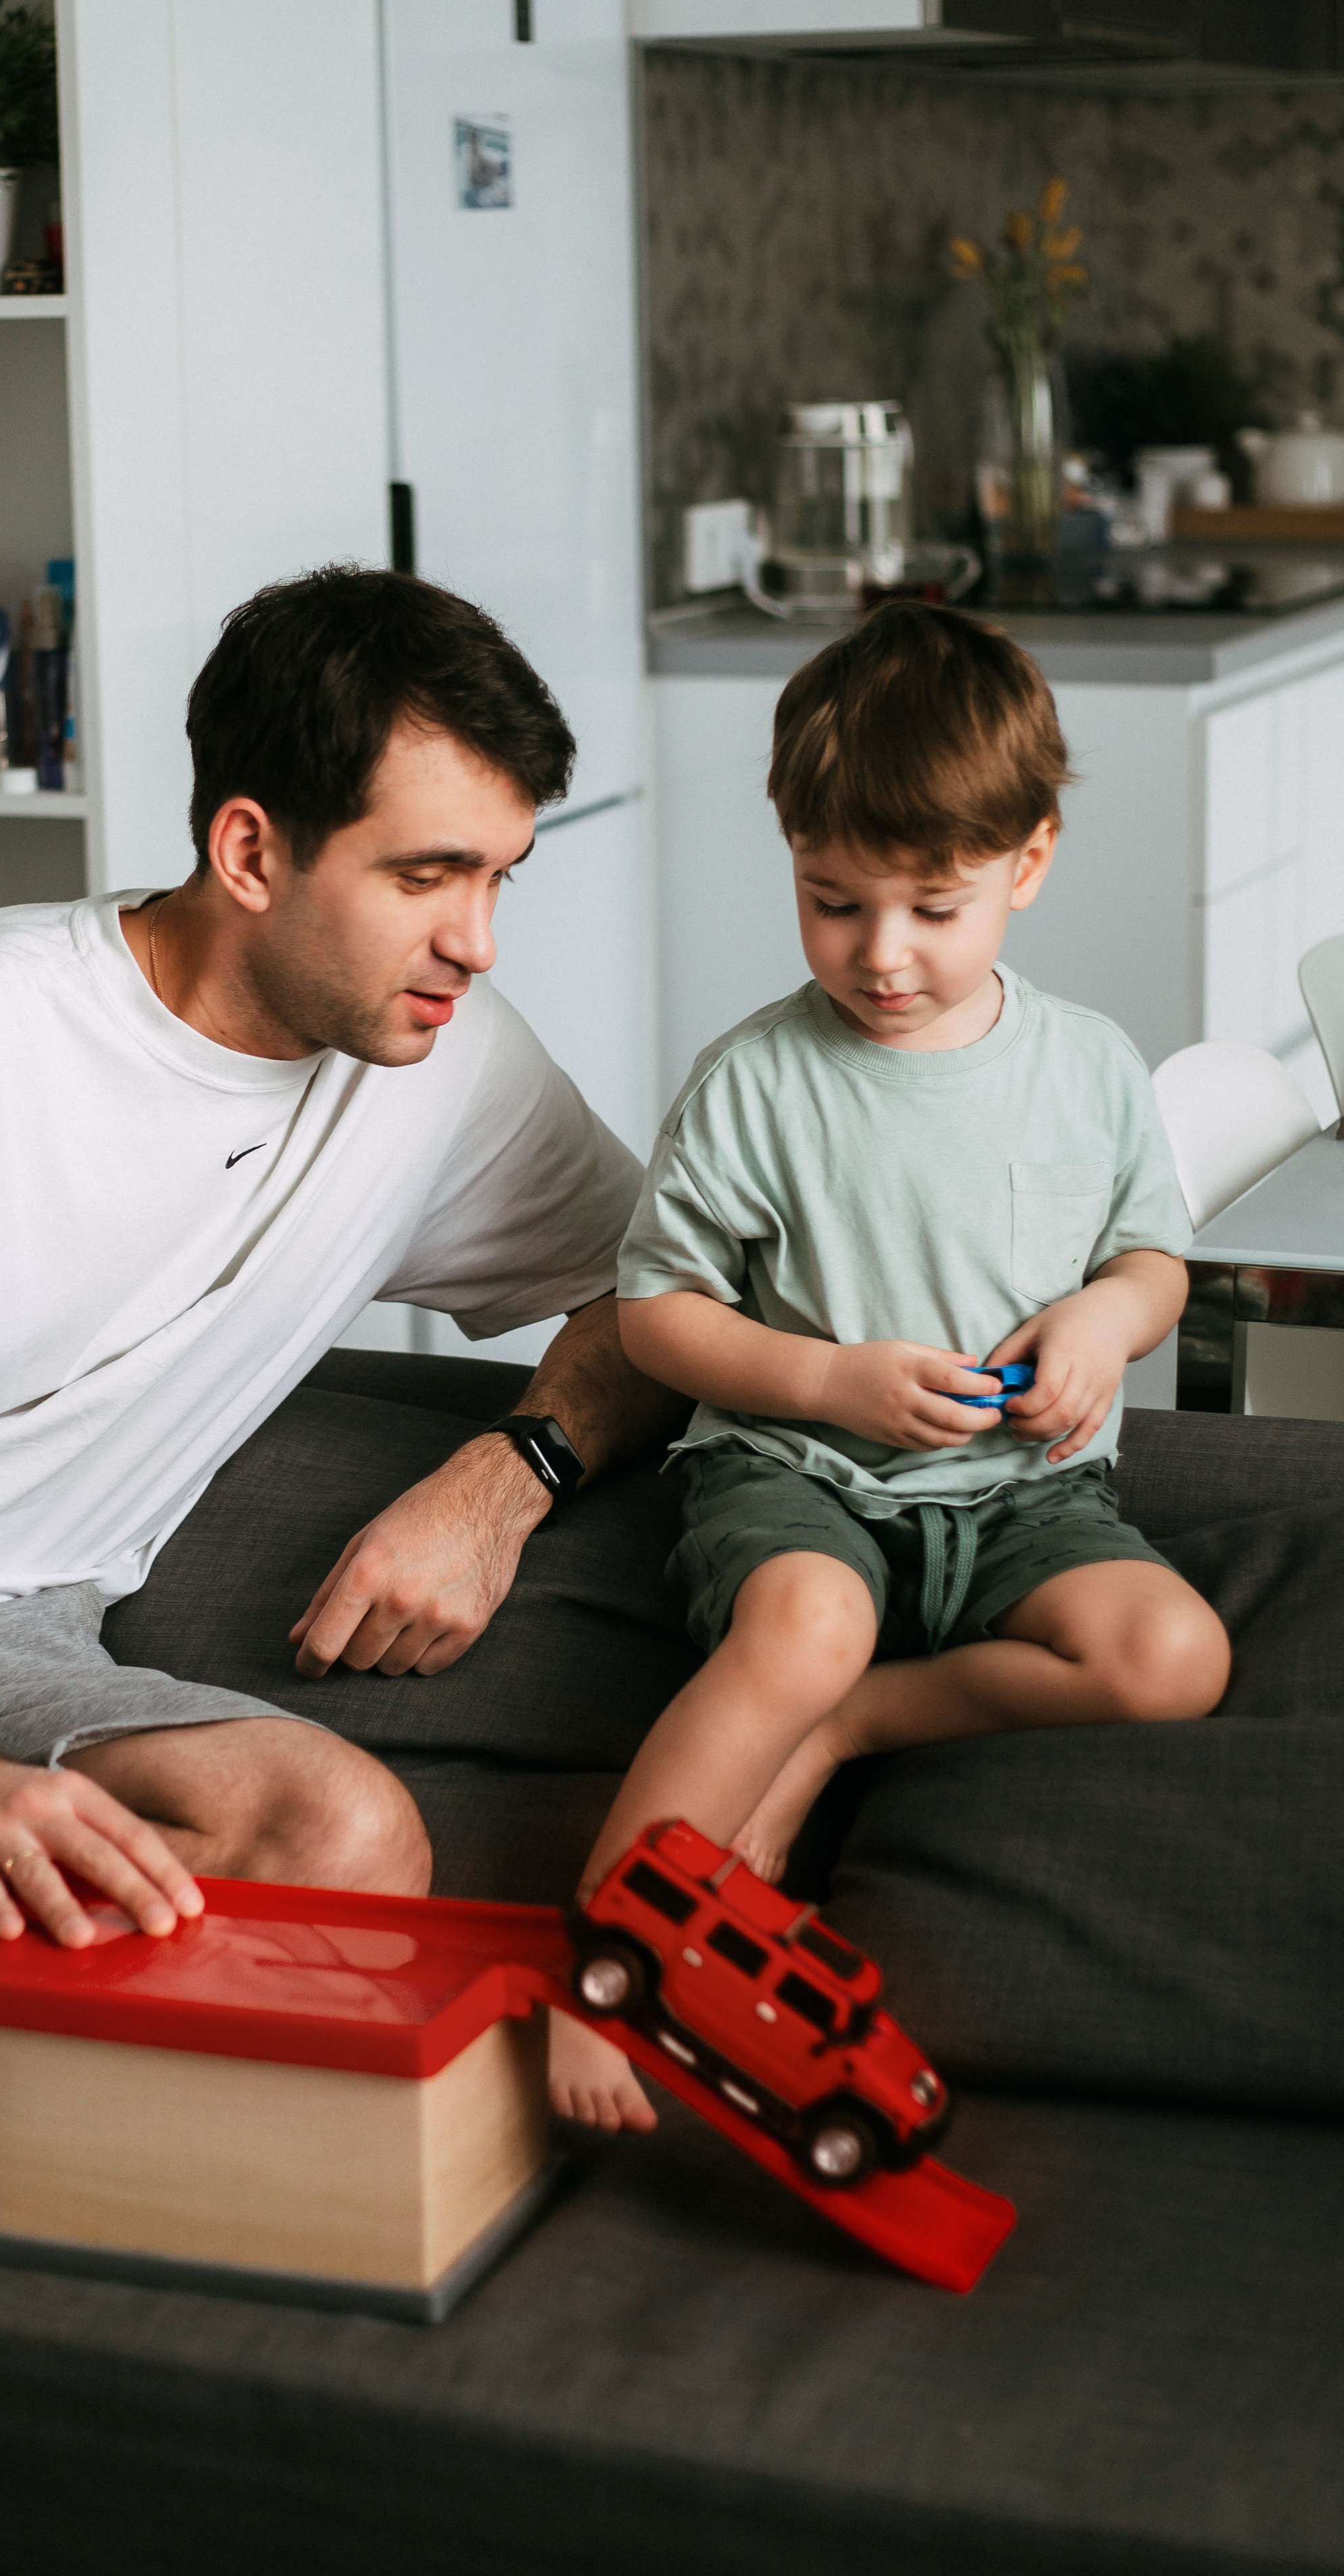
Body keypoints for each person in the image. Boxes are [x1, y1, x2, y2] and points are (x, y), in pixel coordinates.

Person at [0, 567, 676, 2002]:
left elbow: (664, 1297)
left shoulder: (444, 1057)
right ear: (249, 853)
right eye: (423, 877)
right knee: (338, 1836)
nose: (475, 941)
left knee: (324, 1838)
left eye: (499, 877)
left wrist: (509, 1477)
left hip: (14, 1631)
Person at [550, 602, 1231, 2132]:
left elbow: (1150, 1262)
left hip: (1025, 1496)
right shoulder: (755, 1080)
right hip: (797, 1472)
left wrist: (1100, 1323)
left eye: (933, 906)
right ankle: (605, 1957)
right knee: (807, 1624)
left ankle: (854, 1725)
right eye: (832, 902)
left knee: (1172, 1658)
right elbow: (657, 1311)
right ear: (791, 860)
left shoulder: (1088, 1067)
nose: (882, 954)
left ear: (1028, 863)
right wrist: (823, 1382)